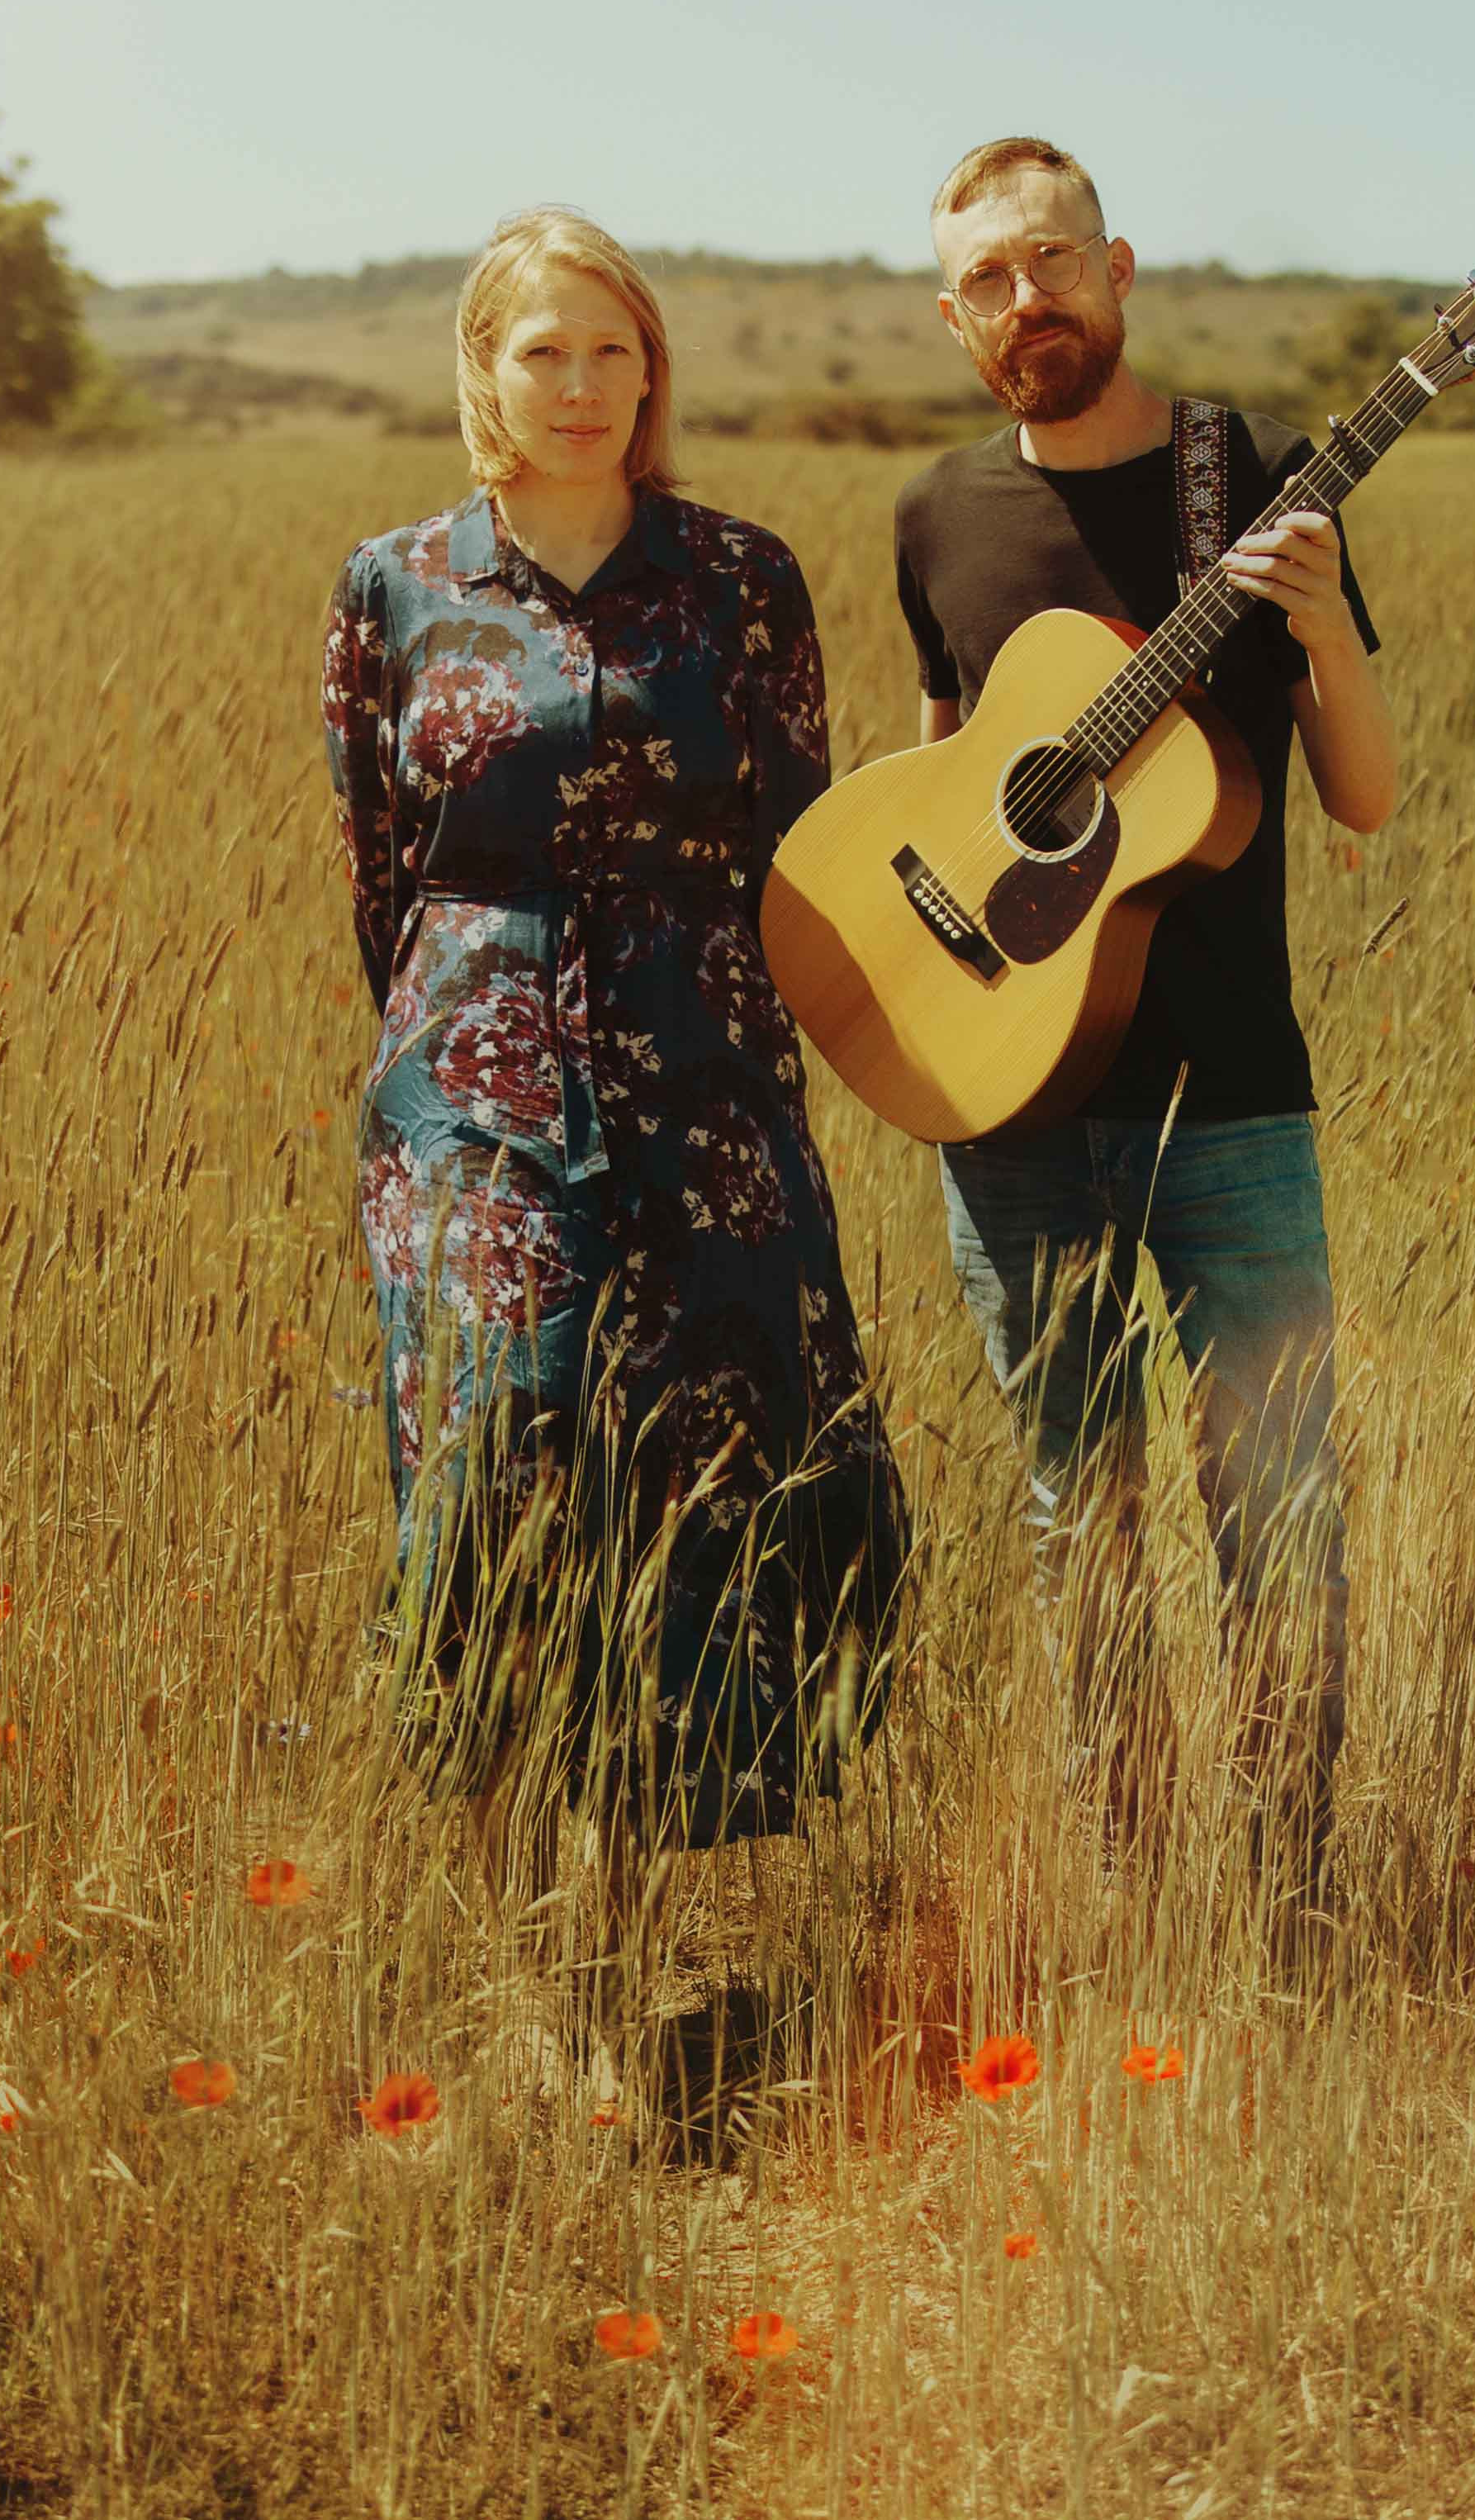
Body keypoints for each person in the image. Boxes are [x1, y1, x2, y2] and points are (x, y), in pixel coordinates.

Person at [320, 206, 908, 1911]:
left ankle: (643, 1888)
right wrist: (450, 1056)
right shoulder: (397, 586)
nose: (577, 386)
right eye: (540, 351)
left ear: (649, 373)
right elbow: (379, 871)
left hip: (705, 1070)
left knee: (704, 1446)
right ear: (482, 372)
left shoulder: (740, 576)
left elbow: (802, 848)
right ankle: (494, 1873)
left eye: (611, 351)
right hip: (469, 1075)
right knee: (500, 1438)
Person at [889, 136, 1394, 1937]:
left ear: (1116, 268)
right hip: (1009, 1112)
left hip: (1232, 1102)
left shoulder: (1237, 479)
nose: (1027, 304)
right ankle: (1127, 1887)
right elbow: (936, 794)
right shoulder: (935, 518)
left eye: (1051, 263)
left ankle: (1291, 1902)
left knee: (1279, 1506)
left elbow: (1360, 796)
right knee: (1071, 1517)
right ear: (953, 318)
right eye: (989, 283)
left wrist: (1324, 619)